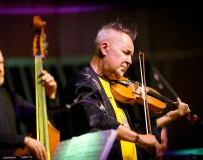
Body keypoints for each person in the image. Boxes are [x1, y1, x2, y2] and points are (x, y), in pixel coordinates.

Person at [60, 21, 190, 160]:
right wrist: (139, 138)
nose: (130, 61)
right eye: (126, 52)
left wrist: (170, 117)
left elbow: (131, 130)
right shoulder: (82, 81)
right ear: (104, 48)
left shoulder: (114, 85)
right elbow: (96, 121)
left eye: (131, 55)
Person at [0, 43, 57, 160]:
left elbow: (39, 120)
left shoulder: (9, 95)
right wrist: (24, 140)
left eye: (1, 63)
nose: (0, 69)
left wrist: (49, 96)